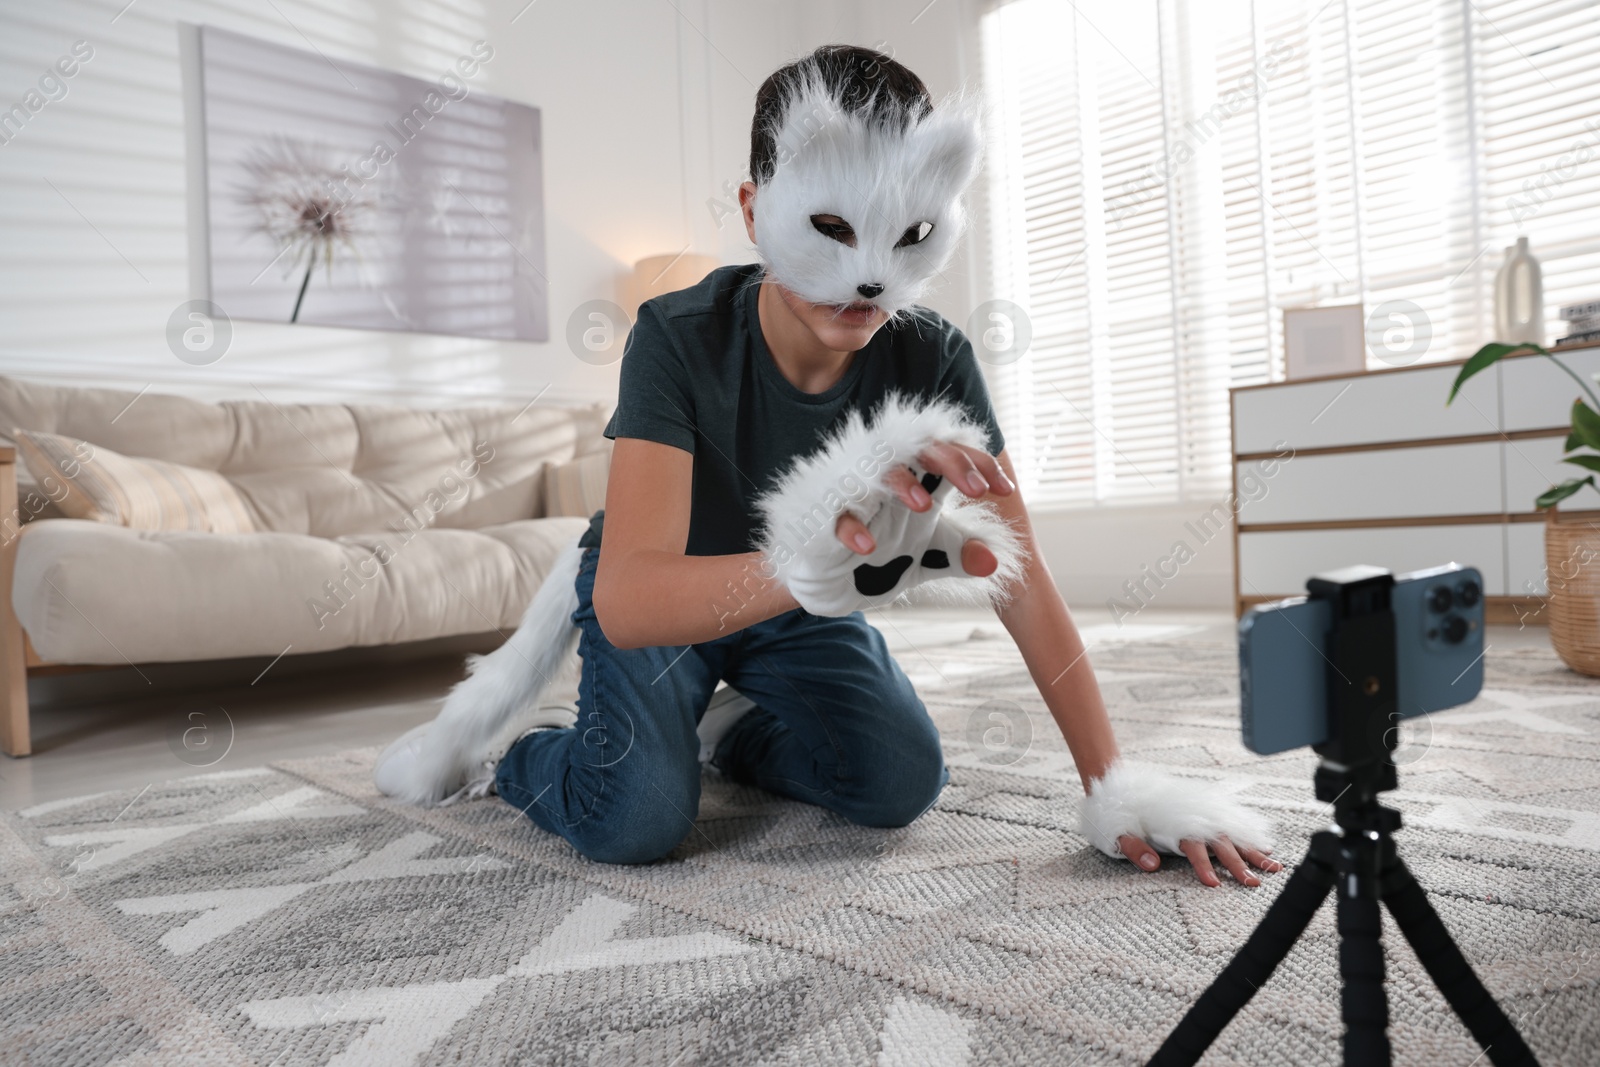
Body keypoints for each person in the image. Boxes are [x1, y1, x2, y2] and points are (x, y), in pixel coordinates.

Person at [376, 44, 1280, 888]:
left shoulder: (934, 358)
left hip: (800, 604)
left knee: (897, 781)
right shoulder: (676, 336)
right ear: (752, 210)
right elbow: (628, 598)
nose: (870, 281)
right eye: (835, 228)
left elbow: (1019, 572)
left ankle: (730, 733)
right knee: (635, 820)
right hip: (676, 598)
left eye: (907, 234)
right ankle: (520, 757)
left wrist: (1113, 785)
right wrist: (801, 565)